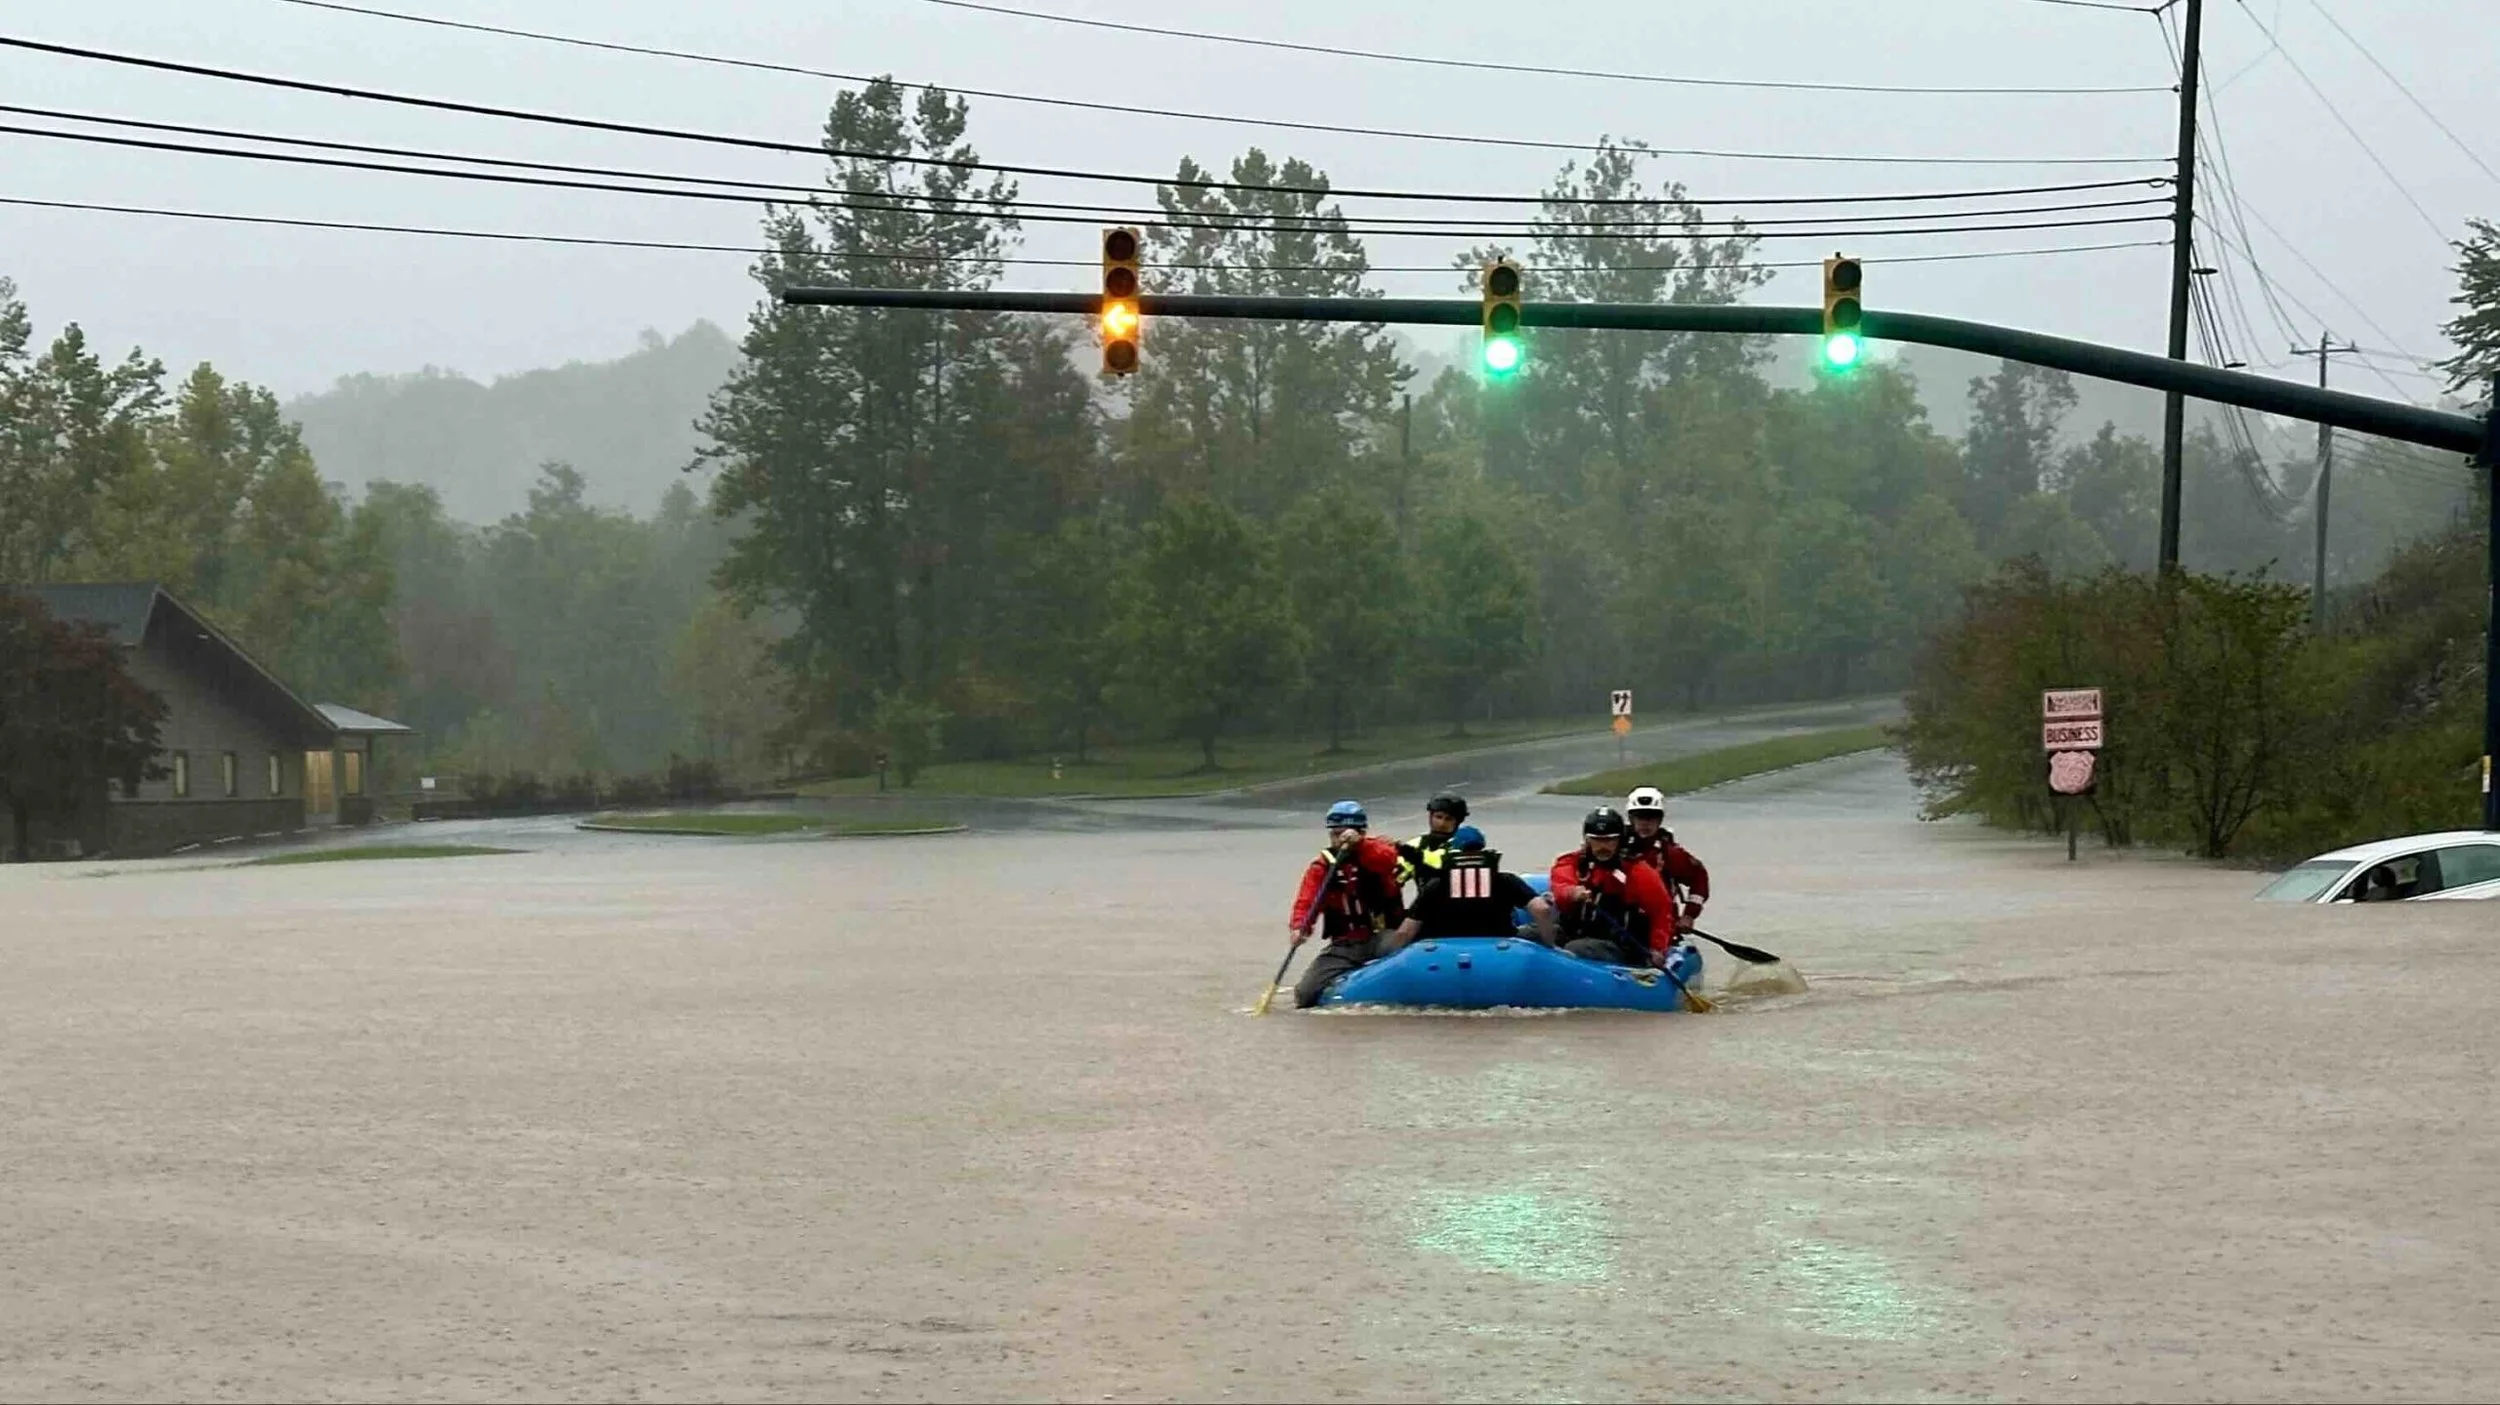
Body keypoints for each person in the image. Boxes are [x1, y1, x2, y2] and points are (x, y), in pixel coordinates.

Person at [1287, 799, 1407, 1008]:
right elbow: (1306, 901)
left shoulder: (1378, 852)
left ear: (1360, 832)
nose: (1339, 840)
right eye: (1335, 834)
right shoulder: (1322, 867)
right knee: (1305, 994)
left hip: (1384, 937)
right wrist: (1299, 927)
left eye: (1344, 834)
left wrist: (1359, 844)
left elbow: (1388, 860)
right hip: (1346, 944)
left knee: (1405, 952)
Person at [1383, 824, 1557, 952]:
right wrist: (1551, 947)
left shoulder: (1437, 885)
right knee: (1548, 930)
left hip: (1444, 949)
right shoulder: (1505, 880)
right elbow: (1541, 910)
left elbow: (1406, 932)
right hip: (1501, 944)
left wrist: (1386, 960)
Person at [1548, 806, 1680, 967]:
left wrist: (1657, 949)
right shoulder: (1572, 862)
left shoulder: (1637, 871)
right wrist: (1572, 893)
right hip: (1574, 932)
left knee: (1576, 948)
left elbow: (1661, 911)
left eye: (1609, 840)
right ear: (1587, 840)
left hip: (1616, 944)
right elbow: (1561, 884)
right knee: (1531, 933)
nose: (1603, 846)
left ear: (1620, 840)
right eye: (1597, 840)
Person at [1622, 785, 1710, 938]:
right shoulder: (1613, 846)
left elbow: (1699, 878)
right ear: (1631, 818)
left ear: (1660, 819)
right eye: (1640, 817)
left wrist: (1689, 914)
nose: (1645, 823)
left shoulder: (1671, 854)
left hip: (1660, 925)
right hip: (1619, 920)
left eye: (1652, 817)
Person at [1396, 790, 1470, 891]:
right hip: (1426, 904)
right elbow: (1398, 875)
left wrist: (1415, 857)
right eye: (1438, 817)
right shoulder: (1415, 845)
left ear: (1458, 822)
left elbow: (1441, 866)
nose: (1442, 824)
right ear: (1430, 817)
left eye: (1448, 819)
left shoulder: (1465, 845)